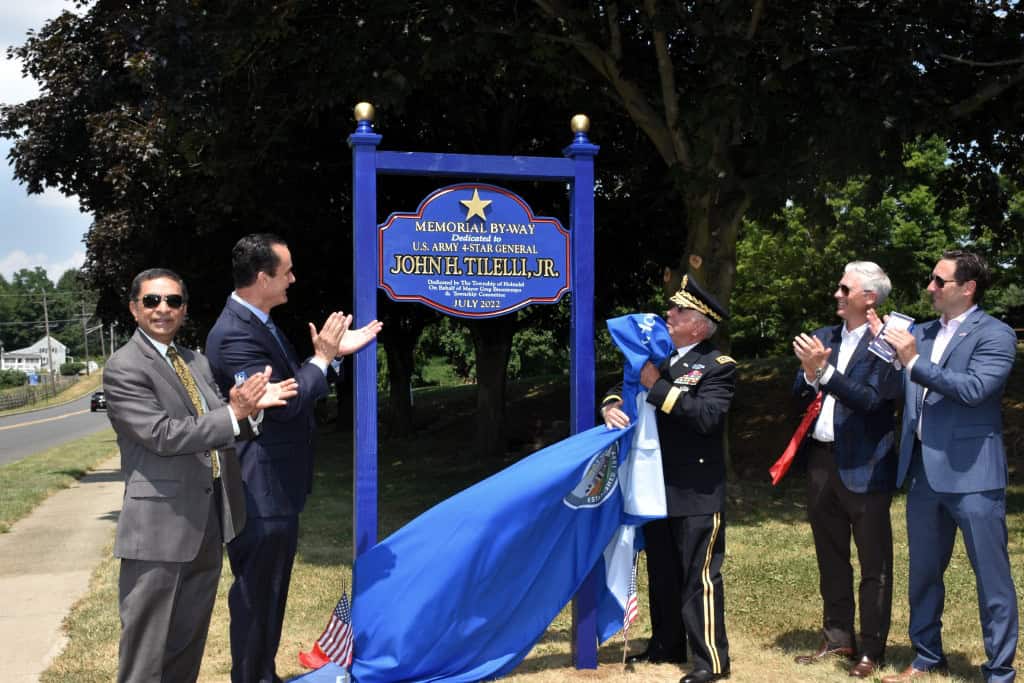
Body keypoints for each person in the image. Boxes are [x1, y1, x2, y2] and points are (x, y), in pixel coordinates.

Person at [104, 268, 297, 683]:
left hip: (208, 520)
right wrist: (233, 414)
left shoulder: (195, 361)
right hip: (158, 527)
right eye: (152, 301)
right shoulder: (124, 367)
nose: (163, 309)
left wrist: (253, 409)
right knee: (146, 650)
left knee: (186, 642)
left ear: (184, 309)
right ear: (135, 308)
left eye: (173, 301)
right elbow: (161, 435)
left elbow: (223, 424)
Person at [205, 234, 382, 683]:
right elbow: (285, 401)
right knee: (255, 596)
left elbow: (293, 385)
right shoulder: (232, 335)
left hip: (276, 486)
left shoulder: (259, 322)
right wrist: (321, 358)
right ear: (262, 278)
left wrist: (328, 359)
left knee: (270, 594)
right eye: (286, 272)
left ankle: (262, 674)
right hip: (259, 488)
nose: (293, 279)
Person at [874, 250, 1018, 683]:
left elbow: (975, 389)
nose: (930, 288)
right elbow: (890, 387)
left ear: (968, 287)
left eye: (940, 281)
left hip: (973, 474)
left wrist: (914, 360)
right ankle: (926, 657)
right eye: (931, 280)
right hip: (923, 472)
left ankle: (999, 670)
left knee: (991, 578)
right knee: (923, 573)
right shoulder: (920, 331)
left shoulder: (996, 334)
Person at [602, 275, 736, 683]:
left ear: (698, 324)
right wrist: (610, 404)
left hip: (696, 490)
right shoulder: (660, 356)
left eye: (677, 311)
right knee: (663, 572)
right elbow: (623, 384)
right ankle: (665, 644)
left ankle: (710, 660)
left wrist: (656, 387)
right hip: (654, 488)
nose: (668, 314)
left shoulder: (718, 366)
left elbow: (706, 417)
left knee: (699, 577)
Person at [789, 262, 901, 678]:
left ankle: (871, 649)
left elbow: (873, 400)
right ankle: (838, 637)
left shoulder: (888, 341)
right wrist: (808, 372)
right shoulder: (824, 337)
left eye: (844, 288)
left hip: (867, 464)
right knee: (830, 556)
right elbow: (797, 391)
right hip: (821, 459)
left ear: (869, 297)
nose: (836, 293)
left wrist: (825, 372)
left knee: (875, 563)